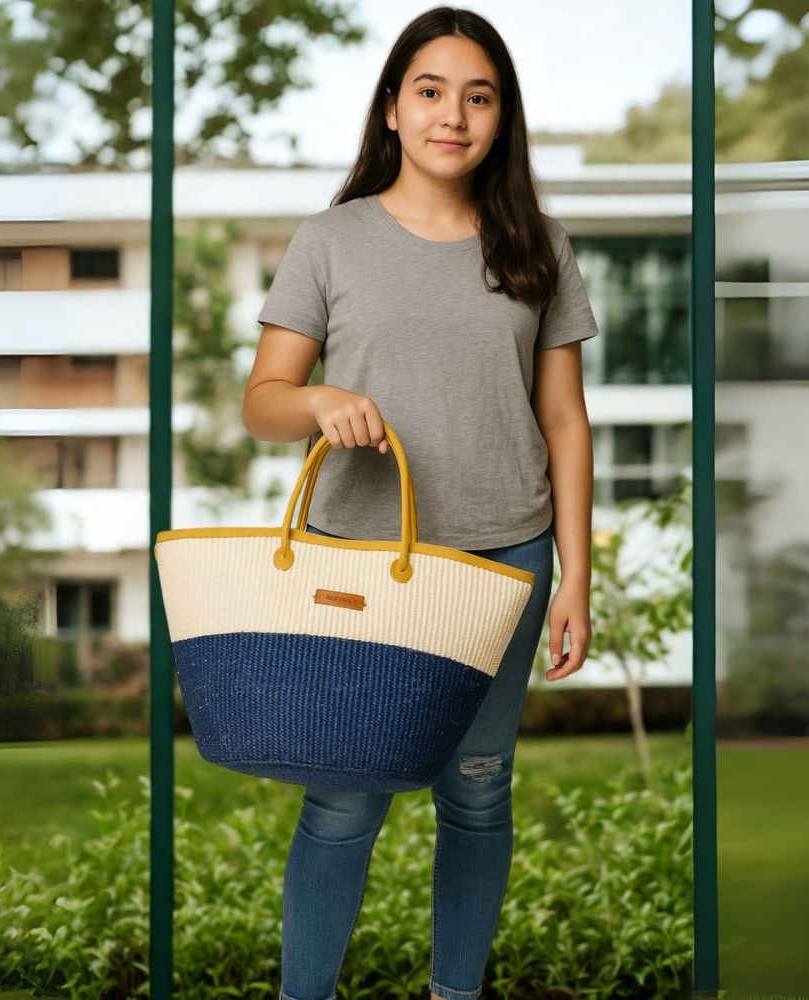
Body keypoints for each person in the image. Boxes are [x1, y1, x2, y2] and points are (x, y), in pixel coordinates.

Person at [241, 7, 599, 999]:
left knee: (478, 793)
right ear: (393, 108)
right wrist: (317, 400)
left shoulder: (538, 246)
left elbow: (565, 420)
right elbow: (262, 403)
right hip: (356, 561)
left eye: (479, 97)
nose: (454, 115)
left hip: (504, 560)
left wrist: (576, 576)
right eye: (432, 92)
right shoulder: (331, 239)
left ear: (502, 117)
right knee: (343, 800)